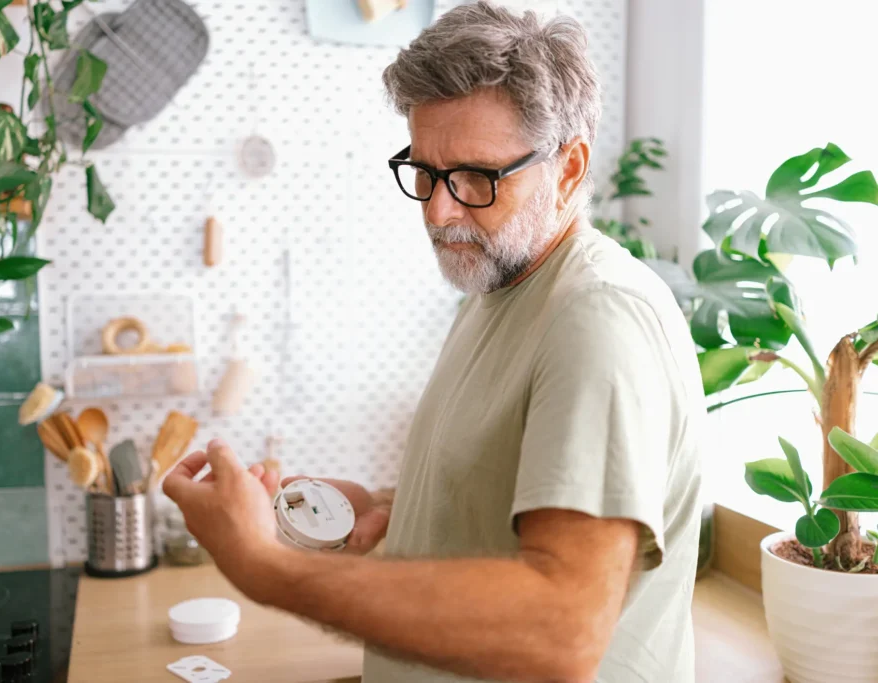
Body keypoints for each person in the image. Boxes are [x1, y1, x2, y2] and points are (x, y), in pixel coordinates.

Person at [163, 3, 704, 682]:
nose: (438, 210)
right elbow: (508, 488)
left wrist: (265, 566)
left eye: (476, 177)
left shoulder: (597, 318)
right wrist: (389, 508)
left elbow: (561, 630)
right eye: (424, 171)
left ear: (569, 169)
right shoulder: (494, 288)